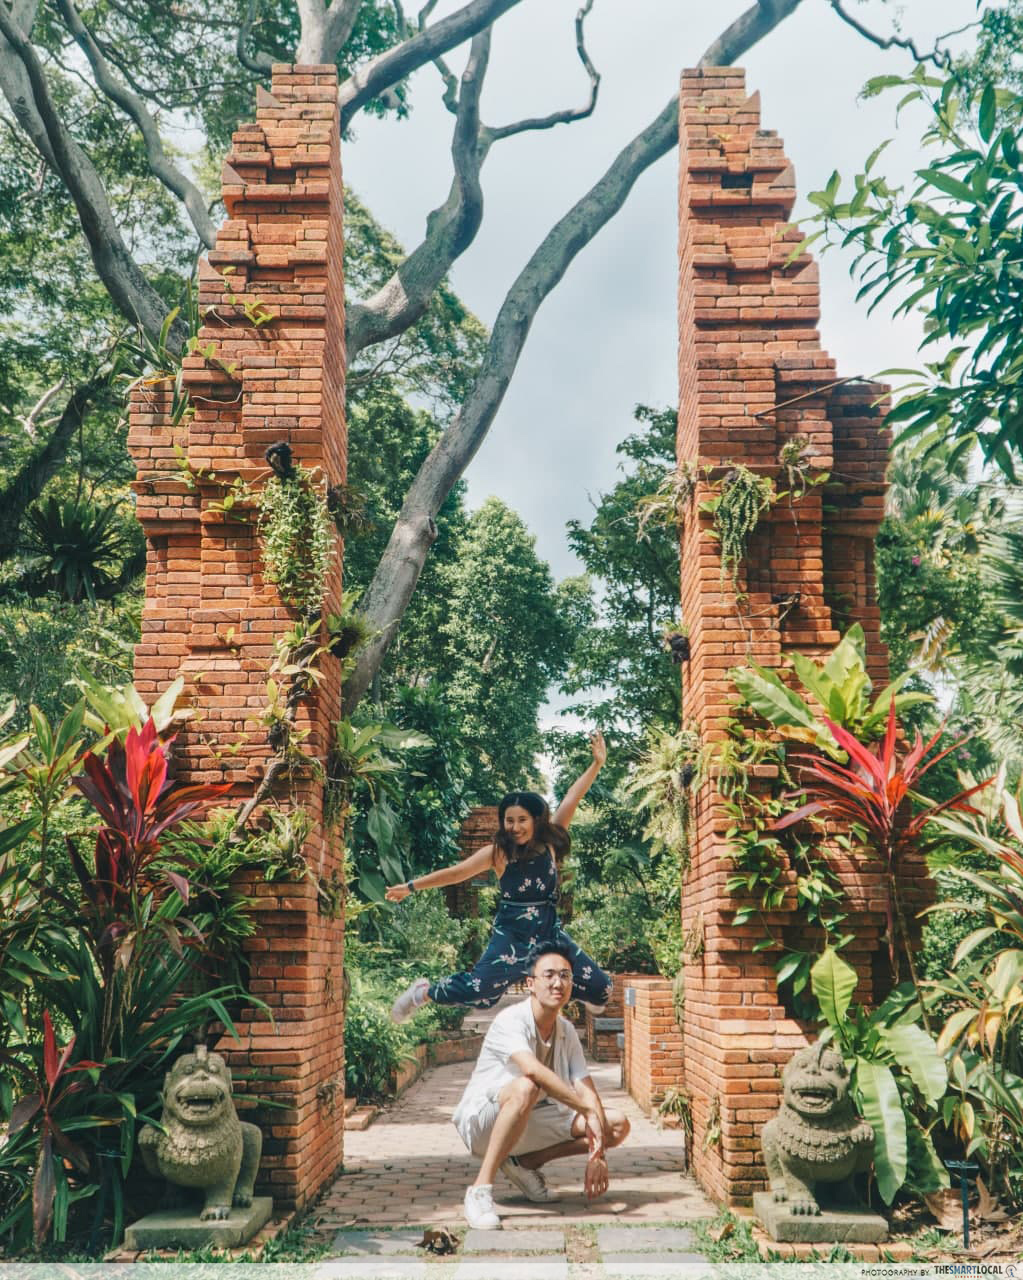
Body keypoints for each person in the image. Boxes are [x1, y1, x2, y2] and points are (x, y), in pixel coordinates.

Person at [386, 732, 613, 1023]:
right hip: (511, 938)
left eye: (522, 820)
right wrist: (410, 886)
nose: (515, 827)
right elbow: (457, 873)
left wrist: (596, 764)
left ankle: (573, 991)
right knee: (480, 994)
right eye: (509, 820)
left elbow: (572, 796)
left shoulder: (551, 842)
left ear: (536, 821)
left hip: (549, 934)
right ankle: (424, 992)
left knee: (602, 990)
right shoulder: (498, 853)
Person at [453, 942, 630, 1229]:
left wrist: (598, 1151)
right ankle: (479, 1190)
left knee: (616, 1124)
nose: (557, 983)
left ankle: (525, 1164)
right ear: (530, 984)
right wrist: (587, 1112)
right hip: (483, 1122)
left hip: (530, 1119)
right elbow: (533, 1071)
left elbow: (585, 1088)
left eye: (565, 976)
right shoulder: (510, 1021)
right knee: (526, 1087)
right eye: (548, 975)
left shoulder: (566, 1031)